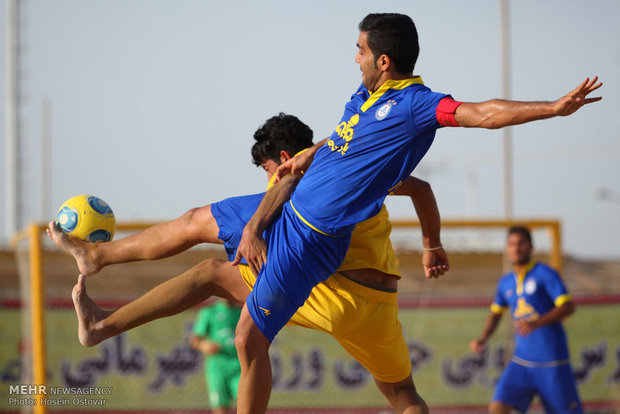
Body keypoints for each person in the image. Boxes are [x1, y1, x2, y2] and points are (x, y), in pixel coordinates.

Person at [227, 13, 600, 413]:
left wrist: (553, 108)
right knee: (201, 253)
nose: (356, 58)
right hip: (315, 228)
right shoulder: (362, 98)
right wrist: (309, 154)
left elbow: (482, 114)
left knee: (213, 273)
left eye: (360, 50)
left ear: (383, 61)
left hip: (328, 244)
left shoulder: (415, 105)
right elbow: (341, 138)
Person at [48, 113, 448, 414]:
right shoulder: (357, 168)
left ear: (285, 158)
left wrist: (256, 225)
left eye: (267, 169)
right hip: (377, 303)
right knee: (403, 395)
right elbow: (423, 189)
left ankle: (98, 272)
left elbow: (196, 222)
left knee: (206, 258)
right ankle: (99, 321)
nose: (268, 179)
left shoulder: (286, 186)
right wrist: (432, 246)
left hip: (328, 289)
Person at [469, 226, 582, 413]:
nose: (516, 248)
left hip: (551, 361)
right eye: (512, 244)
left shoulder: (546, 274)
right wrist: (483, 337)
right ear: (507, 248)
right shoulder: (506, 282)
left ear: (531, 246)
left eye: (521, 243)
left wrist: (536, 322)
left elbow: (567, 306)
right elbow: (495, 313)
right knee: (497, 408)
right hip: (521, 361)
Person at [190, 299, 242, 414]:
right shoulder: (209, 312)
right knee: (220, 407)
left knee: (246, 403)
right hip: (217, 367)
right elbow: (195, 339)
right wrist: (204, 345)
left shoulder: (243, 312)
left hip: (239, 366)